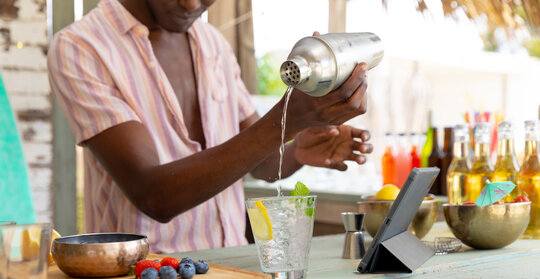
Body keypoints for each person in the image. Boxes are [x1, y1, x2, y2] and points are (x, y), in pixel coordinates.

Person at [48, 0, 372, 253]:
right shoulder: (81, 48)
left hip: (231, 272)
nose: (191, 6)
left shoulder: (213, 43)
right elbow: (154, 196)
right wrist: (289, 119)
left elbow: (261, 164)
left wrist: (298, 149)